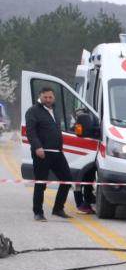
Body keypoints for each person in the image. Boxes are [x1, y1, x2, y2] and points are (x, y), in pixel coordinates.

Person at [25, 88, 73, 221]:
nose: (47, 99)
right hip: (42, 153)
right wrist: (37, 147)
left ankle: (58, 208)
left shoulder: (55, 112)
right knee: (41, 183)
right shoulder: (33, 111)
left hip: (57, 153)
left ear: (54, 98)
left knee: (67, 179)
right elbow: (31, 131)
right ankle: (38, 212)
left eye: (50, 97)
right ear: (40, 97)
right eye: (45, 97)